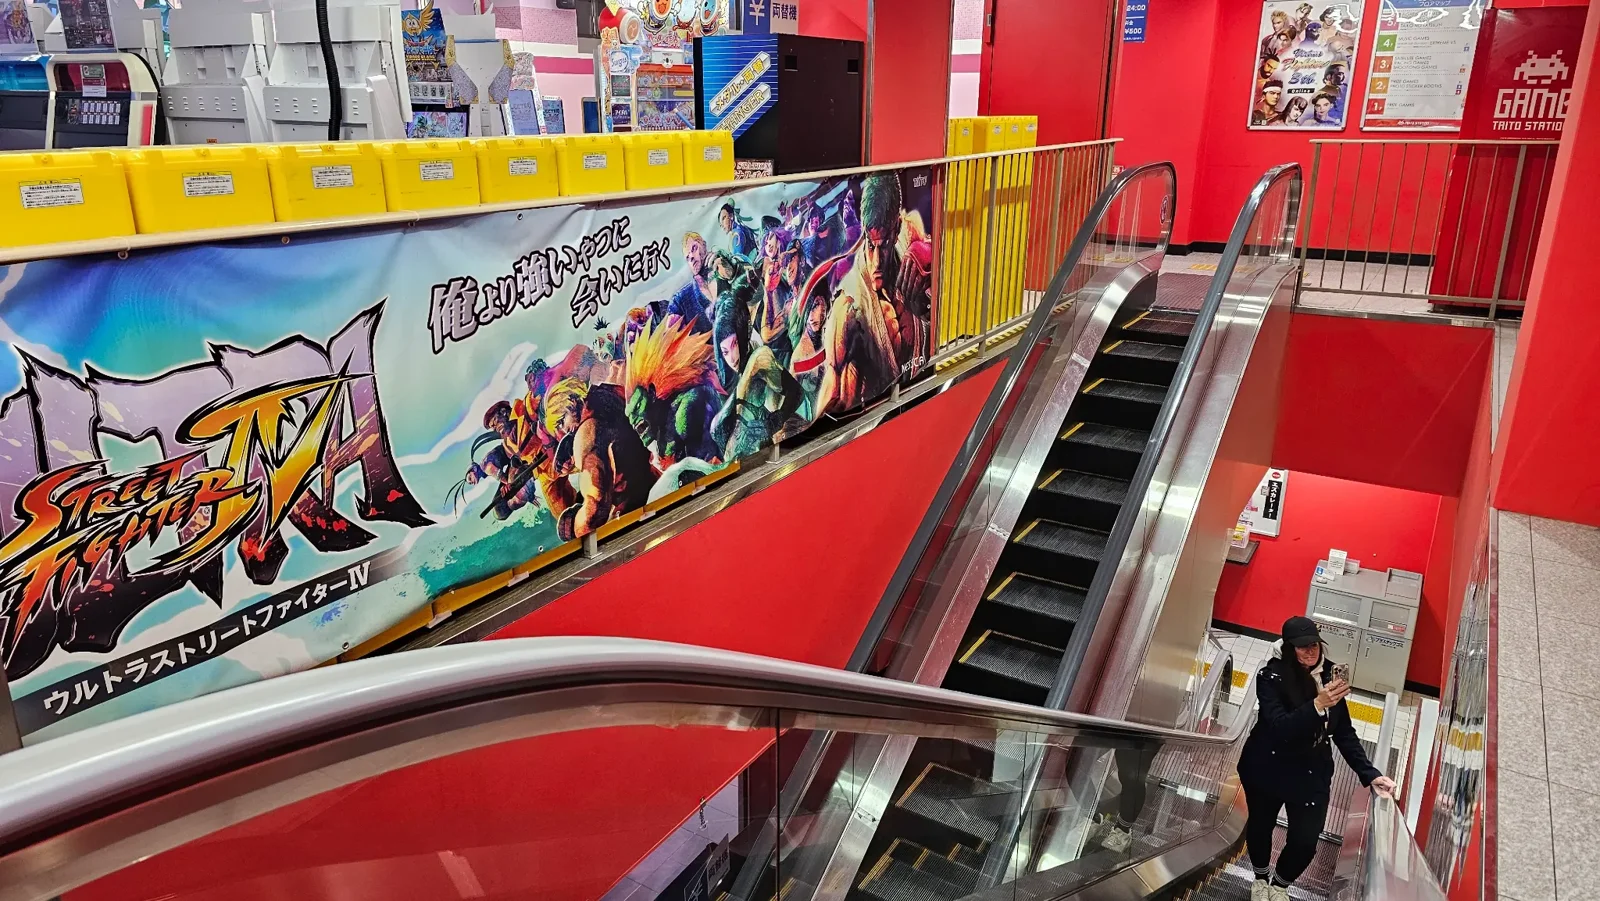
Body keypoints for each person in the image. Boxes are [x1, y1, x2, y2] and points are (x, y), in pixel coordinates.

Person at [1238, 616, 1397, 901]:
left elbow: (1344, 732)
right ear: (1289, 648)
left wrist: (1370, 774)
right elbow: (1279, 727)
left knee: (1305, 841)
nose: (1310, 652)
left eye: (1314, 645)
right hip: (1267, 768)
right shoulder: (1270, 677)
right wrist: (1317, 705)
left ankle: (1280, 885)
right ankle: (1260, 879)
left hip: (1311, 772)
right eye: (1302, 647)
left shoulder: (1329, 676)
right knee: (1261, 826)